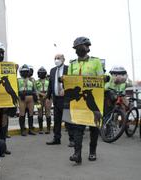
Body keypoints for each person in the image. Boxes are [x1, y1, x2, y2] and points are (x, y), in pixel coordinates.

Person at [68, 36, 104, 164]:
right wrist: (63, 80)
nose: (86, 48)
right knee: (78, 127)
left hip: (93, 98)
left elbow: (101, 76)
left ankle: (92, 152)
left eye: (87, 46)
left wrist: (105, 78)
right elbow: (70, 81)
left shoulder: (96, 62)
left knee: (94, 126)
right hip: (79, 100)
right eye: (83, 46)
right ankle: (77, 154)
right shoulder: (72, 64)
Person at [46, 54, 74, 146]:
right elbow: (51, 84)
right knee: (57, 120)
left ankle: (72, 139)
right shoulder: (52, 70)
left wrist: (66, 89)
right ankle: (56, 138)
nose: (56, 60)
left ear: (63, 59)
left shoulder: (68, 69)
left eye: (58, 58)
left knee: (67, 119)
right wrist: (48, 96)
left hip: (66, 98)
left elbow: (73, 82)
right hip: (56, 98)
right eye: (55, 58)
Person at [17, 64, 36, 136]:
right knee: (22, 114)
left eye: (26, 71)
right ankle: (22, 130)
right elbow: (16, 89)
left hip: (30, 98)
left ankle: (30, 129)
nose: (25, 73)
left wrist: (35, 96)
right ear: (21, 72)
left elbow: (34, 89)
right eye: (23, 71)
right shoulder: (18, 80)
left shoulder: (32, 80)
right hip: (22, 98)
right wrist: (19, 94)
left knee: (31, 114)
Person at [35, 67, 52, 134]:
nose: (41, 74)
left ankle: (48, 129)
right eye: (40, 73)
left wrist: (46, 95)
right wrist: (40, 94)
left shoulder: (49, 81)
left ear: (45, 74)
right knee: (39, 112)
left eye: (43, 73)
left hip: (48, 98)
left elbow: (50, 89)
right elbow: (35, 90)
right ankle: (41, 129)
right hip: (39, 99)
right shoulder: (36, 82)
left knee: (48, 112)